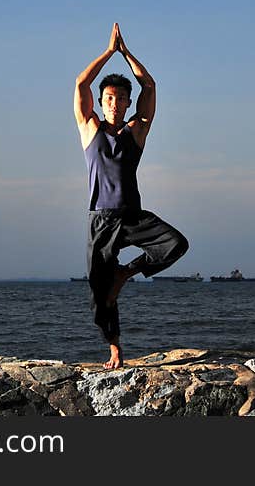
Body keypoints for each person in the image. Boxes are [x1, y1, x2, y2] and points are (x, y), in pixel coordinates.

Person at [73, 22, 189, 369]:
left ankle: (128, 273)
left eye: (121, 98)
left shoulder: (136, 130)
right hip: (100, 220)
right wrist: (109, 52)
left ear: (126, 103)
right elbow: (81, 83)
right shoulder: (89, 127)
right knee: (99, 296)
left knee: (176, 244)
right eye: (109, 97)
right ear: (102, 101)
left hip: (131, 216)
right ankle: (115, 349)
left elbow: (149, 85)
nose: (115, 103)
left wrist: (126, 54)